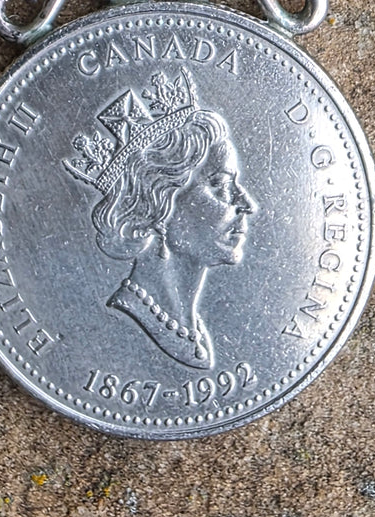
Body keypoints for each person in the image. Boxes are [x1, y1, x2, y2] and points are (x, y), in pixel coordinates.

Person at [66, 70, 256, 368]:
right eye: (219, 185)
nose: (246, 204)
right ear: (158, 207)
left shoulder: (191, 330)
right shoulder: (117, 329)